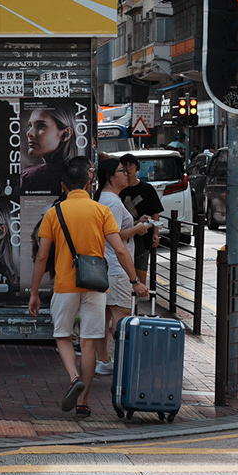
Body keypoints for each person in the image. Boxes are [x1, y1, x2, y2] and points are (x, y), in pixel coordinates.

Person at [27, 155, 147, 415]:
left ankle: (73, 378)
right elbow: (120, 250)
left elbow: (42, 256)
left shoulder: (54, 213)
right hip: (96, 284)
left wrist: (35, 292)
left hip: (65, 285)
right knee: (90, 342)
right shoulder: (101, 210)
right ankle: (83, 403)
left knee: (62, 336)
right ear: (88, 184)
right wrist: (135, 280)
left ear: (64, 187)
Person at [93, 155, 151, 378]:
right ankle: (117, 361)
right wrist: (136, 230)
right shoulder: (112, 202)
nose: (126, 173)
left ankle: (104, 361)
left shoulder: (107, 199)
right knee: (121, 315)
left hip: (107, 267)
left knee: (105, 316)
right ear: (110, 177)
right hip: (116, 269)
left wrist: (136, 224)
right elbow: (114, 237)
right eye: (121, 171)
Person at [21, 104, 79, 194]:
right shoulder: (79, 174)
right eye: (30, 126)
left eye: (41, 126)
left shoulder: (28, 176)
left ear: (66, 134)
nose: (29, 133)